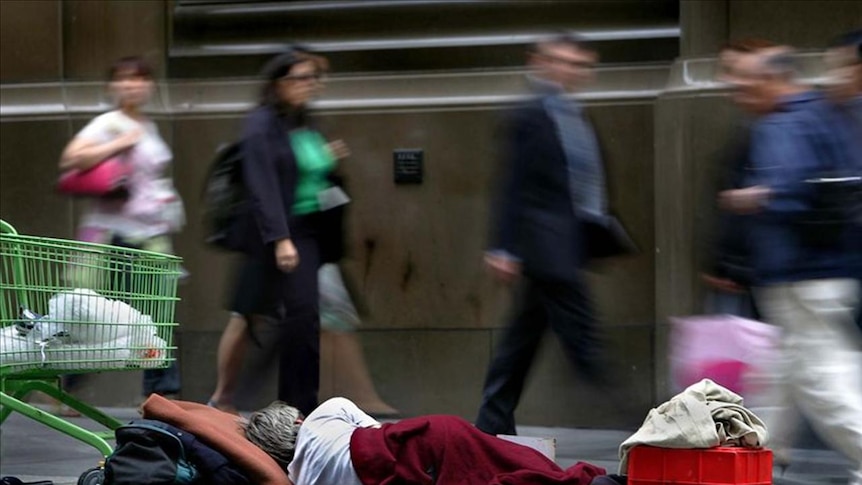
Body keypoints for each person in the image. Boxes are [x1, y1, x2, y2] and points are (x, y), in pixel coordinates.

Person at [720, 47, 862, 485]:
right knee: (782, 371)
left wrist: (750, 196)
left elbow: (789, 190)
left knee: (824, 381)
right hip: (828, 272)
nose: (741, 94)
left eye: (747, 85)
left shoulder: (783, 122)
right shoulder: (828, 113)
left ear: (771, 81)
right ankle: (755, 453)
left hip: (800, 274)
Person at [476, 32, 616, 437]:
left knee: (522, 337)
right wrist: (502, 246)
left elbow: (584, 179)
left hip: (568, 240)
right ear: (539, 62)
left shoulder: (574, 113)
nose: (570, 70)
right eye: (562, 61)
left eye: (579, 64)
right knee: (582, 333)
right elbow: (512, 182)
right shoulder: (529, 114)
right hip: (543, 243)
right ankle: (629, 404)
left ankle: (491, 421)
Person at [213, 47, 349, 417]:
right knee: (251, 316)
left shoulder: (305, 119)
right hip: (275, 233)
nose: (309, 85)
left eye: (312, 79)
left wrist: (329, 160)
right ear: (278, 83)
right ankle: (231, 398)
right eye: (300, 78)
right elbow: (262, 183)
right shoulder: (261, 123)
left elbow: (309, 171)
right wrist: (280, 238)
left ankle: (297, 405)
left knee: (301, 317)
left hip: (309, 231)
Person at [58, 55, 184, 402]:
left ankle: (162, 394)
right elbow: (70, 159)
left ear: (150, 85)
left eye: (140, 78)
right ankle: (66, 385)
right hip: (112, 232)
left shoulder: (149, 125)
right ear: (112, 86)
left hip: (151, 231)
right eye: (125, 78)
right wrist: (119, 143)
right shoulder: (108, 124)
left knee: (159, 309)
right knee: (93, 313)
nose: (132, 85)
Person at [243, 396, 614, 485]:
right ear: (296, 419)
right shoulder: (327, 412)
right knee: (512, 461)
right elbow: (376, 431)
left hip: (422, 471)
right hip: (432, 436)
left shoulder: (302, 478)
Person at [700, 39, 776, 318]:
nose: (726, 79)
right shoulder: (750, 126)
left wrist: (726, 265)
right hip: (749, 268)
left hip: (752, 270)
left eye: (733, 69)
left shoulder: (762, 129)